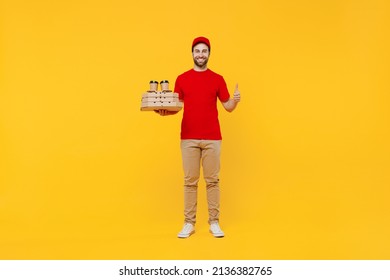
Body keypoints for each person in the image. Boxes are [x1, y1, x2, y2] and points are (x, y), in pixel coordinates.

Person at [155, 36, 241, 238]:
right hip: (189, 138)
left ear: (209, 54)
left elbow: (227, 107)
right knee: (190, 181)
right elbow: (177, 105)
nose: (200, 54)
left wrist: (236, 101)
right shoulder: (182, 79)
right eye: (197, 51)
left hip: (212, 137)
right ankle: (188, 223)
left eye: (204, 51)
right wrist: (165, 112)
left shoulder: (217, 79)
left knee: (212, 181)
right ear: (192, 53)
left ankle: (214, 222)